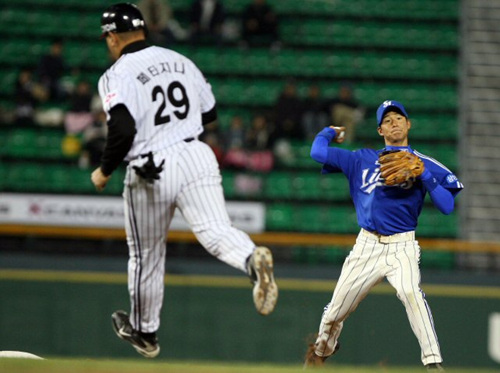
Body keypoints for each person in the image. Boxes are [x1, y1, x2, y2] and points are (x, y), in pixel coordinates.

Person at [91, 3, 278, 358]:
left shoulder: (116, 73)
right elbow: (210, 114)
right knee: (215, 231)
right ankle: (251, 259)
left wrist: (104, 169)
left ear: (112, 37)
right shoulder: (181, 60)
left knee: (147, 254)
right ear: (144, 30)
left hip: (151, 166)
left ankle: (145, 332)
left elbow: (123, 128)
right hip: (196, 154)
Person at [304, 100, 464, 372]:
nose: (394, 122)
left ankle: (433, 362)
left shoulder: (424, 163)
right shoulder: (361, 159)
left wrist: (425, 175)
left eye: (399, 118)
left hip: (402, 246)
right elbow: (318, 153)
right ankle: (321, 350)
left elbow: (448, 206)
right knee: (335, 312)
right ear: (381, 131)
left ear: (408, 124)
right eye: (387, 120)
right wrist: (329, 132)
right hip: (366, 244)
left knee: (411, 292)